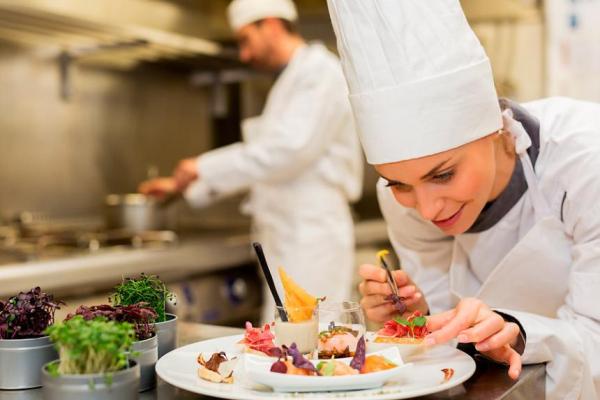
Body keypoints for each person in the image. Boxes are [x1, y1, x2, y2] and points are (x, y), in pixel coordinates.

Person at [327, 0, 600, 399]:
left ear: (493, 126)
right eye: (398, 184)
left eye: (443, 175)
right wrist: (420, 318)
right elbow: (448, 355)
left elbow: (596, 341)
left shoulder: (586, 162)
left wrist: (519, 333)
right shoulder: (404, 203)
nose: (426, 209)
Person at [140, 0, 363, 323]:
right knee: (285, 339)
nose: (244, 55)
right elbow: (265, 162)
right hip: (287, 236)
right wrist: (184, 185)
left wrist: (201, 167)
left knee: (312, 339)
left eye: (245, 39)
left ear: (270, 24)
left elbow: (287, 152)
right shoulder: (291, 81)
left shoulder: (319, 72)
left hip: (311, 237)